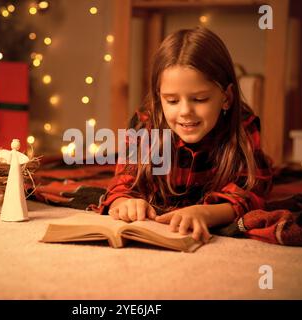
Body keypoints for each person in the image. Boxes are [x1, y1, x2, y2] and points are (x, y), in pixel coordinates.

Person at [97, 27, 273, 243]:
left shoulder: (243, 127)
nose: (185, 111)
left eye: (200, 99)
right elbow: (122, 182)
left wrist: (205, 213)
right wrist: (124, 202)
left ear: (226, 97)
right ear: (158, 98)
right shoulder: (144, 126)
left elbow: (251, 193)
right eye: (171, 100)